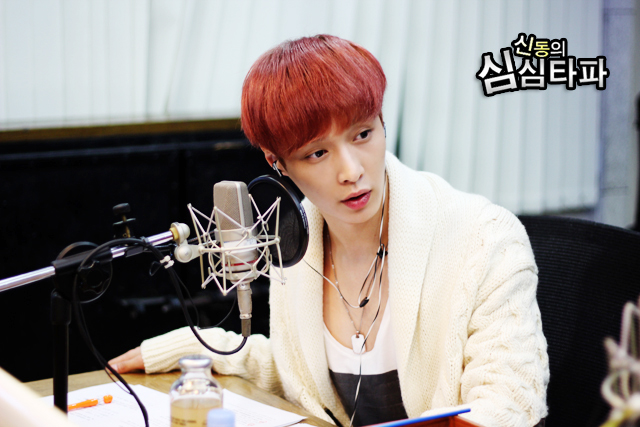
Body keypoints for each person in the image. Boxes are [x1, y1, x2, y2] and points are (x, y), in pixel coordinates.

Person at [109, 34, 549, 427]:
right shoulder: (295, 245)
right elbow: (300, 375)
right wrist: (197, 350)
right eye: (317, 153)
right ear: (277, 163)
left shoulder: (485, 238)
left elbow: (508, 407)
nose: (351, 171)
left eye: (363, 134)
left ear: (381, 121)